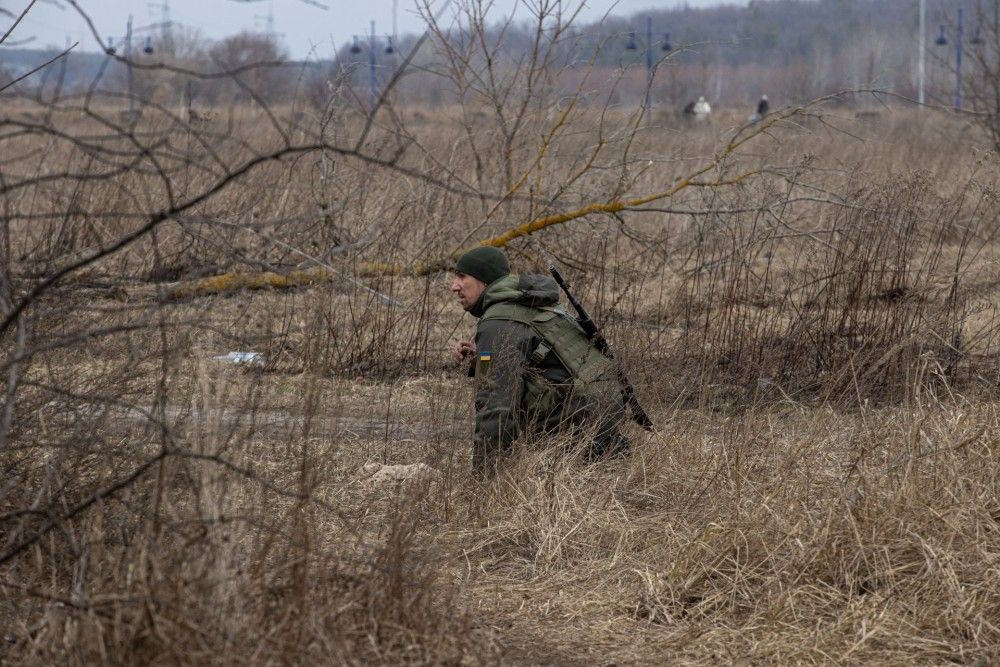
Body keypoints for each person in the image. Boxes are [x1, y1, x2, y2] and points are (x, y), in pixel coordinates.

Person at [450, 246, 628, 474]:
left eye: (462, 276)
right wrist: (481, 360)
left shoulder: (498, 322)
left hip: (577, 424)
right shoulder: (530, 303)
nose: (454, 286)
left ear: (484, 280)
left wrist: (483, 480)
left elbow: (495, 404)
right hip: (605, 412)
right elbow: (546, 363)